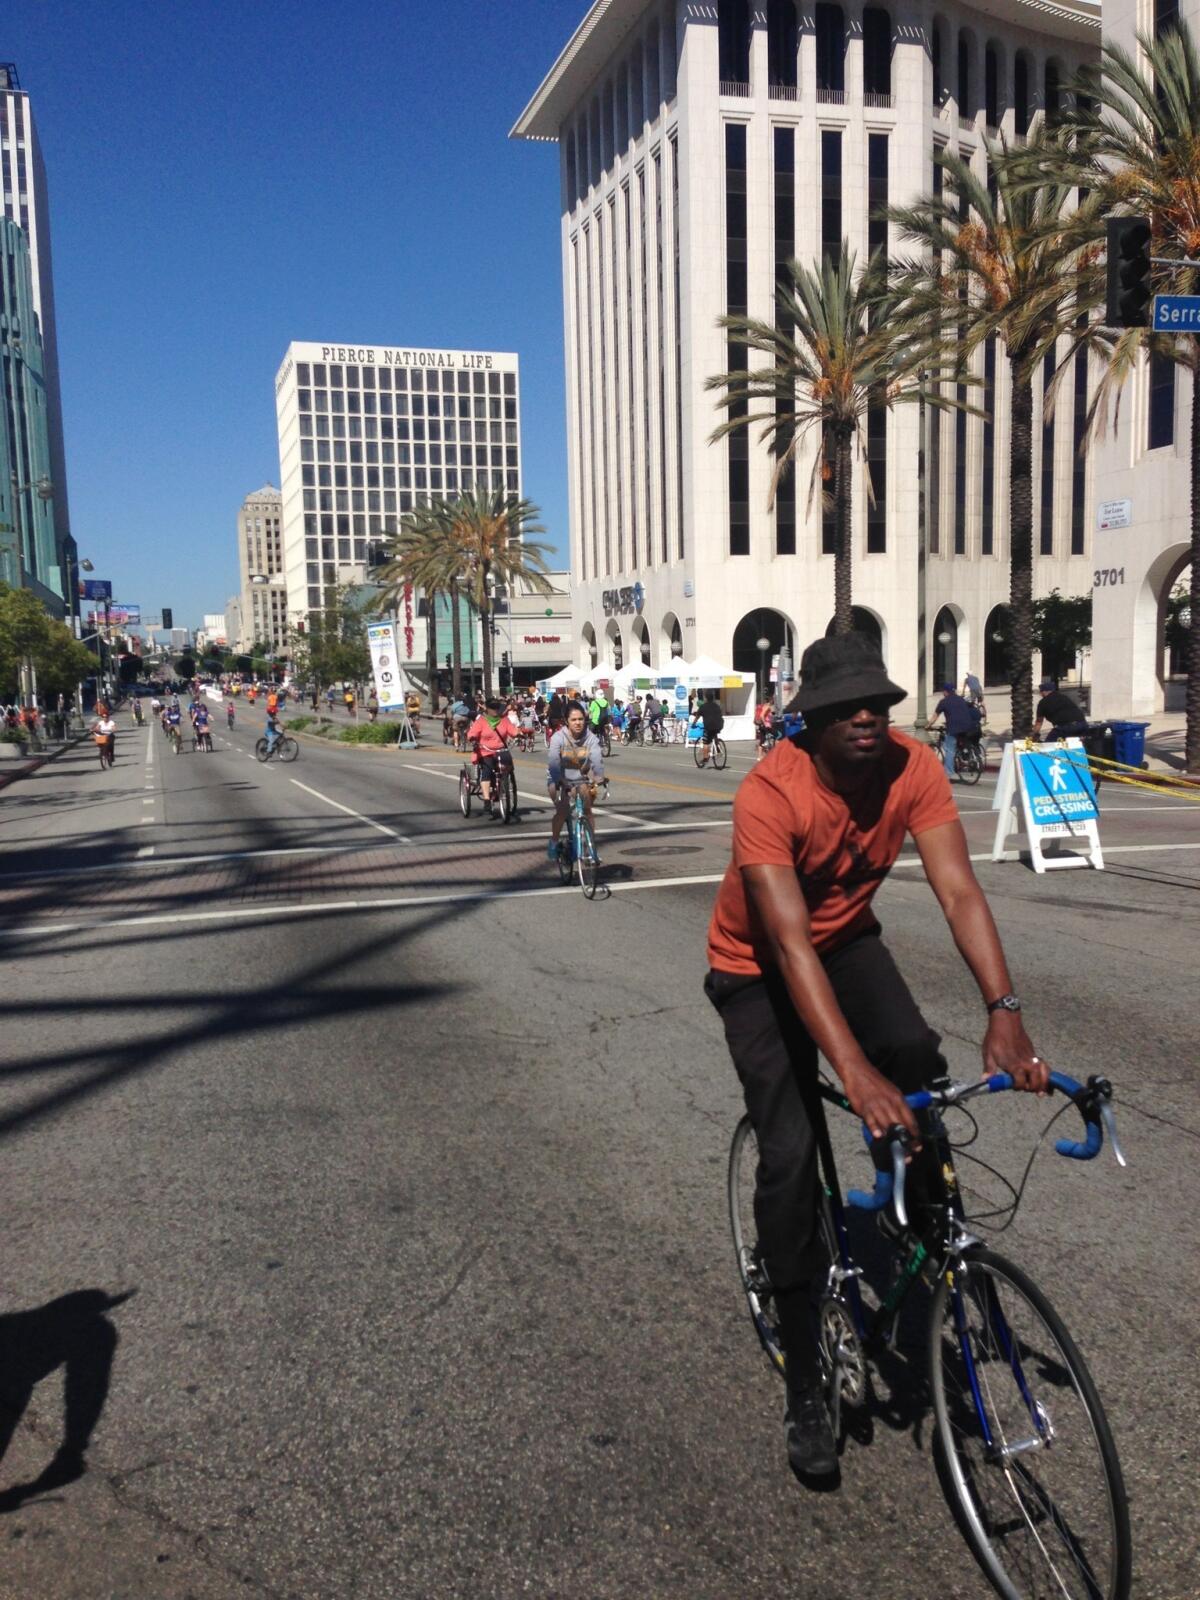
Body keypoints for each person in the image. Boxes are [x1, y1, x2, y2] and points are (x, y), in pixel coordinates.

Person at [705, 633, 1049, 1478]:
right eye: (846, 707)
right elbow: (786, 946)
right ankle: (805, 1390)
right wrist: (850, 1071)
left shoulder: (912, 766)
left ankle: (927, 1232)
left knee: (916, 1061)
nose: (868, 716)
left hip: (848, 943)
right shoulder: (769, 792)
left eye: (880, 703)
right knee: (790, 1160)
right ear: (807, 720)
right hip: (756, 968)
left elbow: (959, 889)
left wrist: (1003, 1011)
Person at [546, 701, 605, 860]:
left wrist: (599, 776)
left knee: (587, 810)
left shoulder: (590, 738)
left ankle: (591, 847)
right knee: (563, 810)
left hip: (580, 779)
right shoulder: (558, 737)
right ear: (566, 721)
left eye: (581, 719)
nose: (578, 723)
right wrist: (559, 779)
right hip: (558, 779)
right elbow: (553, 761)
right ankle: (554, 841)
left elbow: (597, 758)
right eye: (574, 720)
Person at [466, 696, 520, 813]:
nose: (495, 710)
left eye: (497, 707)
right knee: (487, 770)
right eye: (492, 708)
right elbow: (472, 733)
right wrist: (473, 739)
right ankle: (486, 799)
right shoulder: (481, 721)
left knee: (508, 766)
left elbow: (513, 731)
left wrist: (520, 733)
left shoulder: (504, 720)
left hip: (501, 751)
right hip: (485, 751)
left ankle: (503, 784)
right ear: (487, 709)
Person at [926, 680, 979, 780]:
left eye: (943, 691)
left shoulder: (944, 702)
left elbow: (935, 716)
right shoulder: (961, 699)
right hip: (968, 726)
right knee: (961, 742)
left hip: (954, 728)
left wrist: (928, 725)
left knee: (949, 749)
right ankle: (966, 756)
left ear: (946, 691)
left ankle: (948, 773)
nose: (943, 693)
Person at [1033, 678, 1088, 742]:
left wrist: (1034, 734)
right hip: (1082, 724)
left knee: (1048, 745)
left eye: (1041, 692)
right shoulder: (1064, 697)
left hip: (1064, 727)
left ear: (1043, 692)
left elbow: (1039, 722)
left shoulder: (1043, 703)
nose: (1041, 694)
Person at [692, 690, 725, 762]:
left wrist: (693, 724)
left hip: (709, 726)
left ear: (706, 698)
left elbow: (697, 717)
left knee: (705, 742)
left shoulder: (703, 707)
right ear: (713, 698)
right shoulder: (717, 706)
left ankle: (705, 758)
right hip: (719, 725)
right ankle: (718, 749)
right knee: (714, 733)